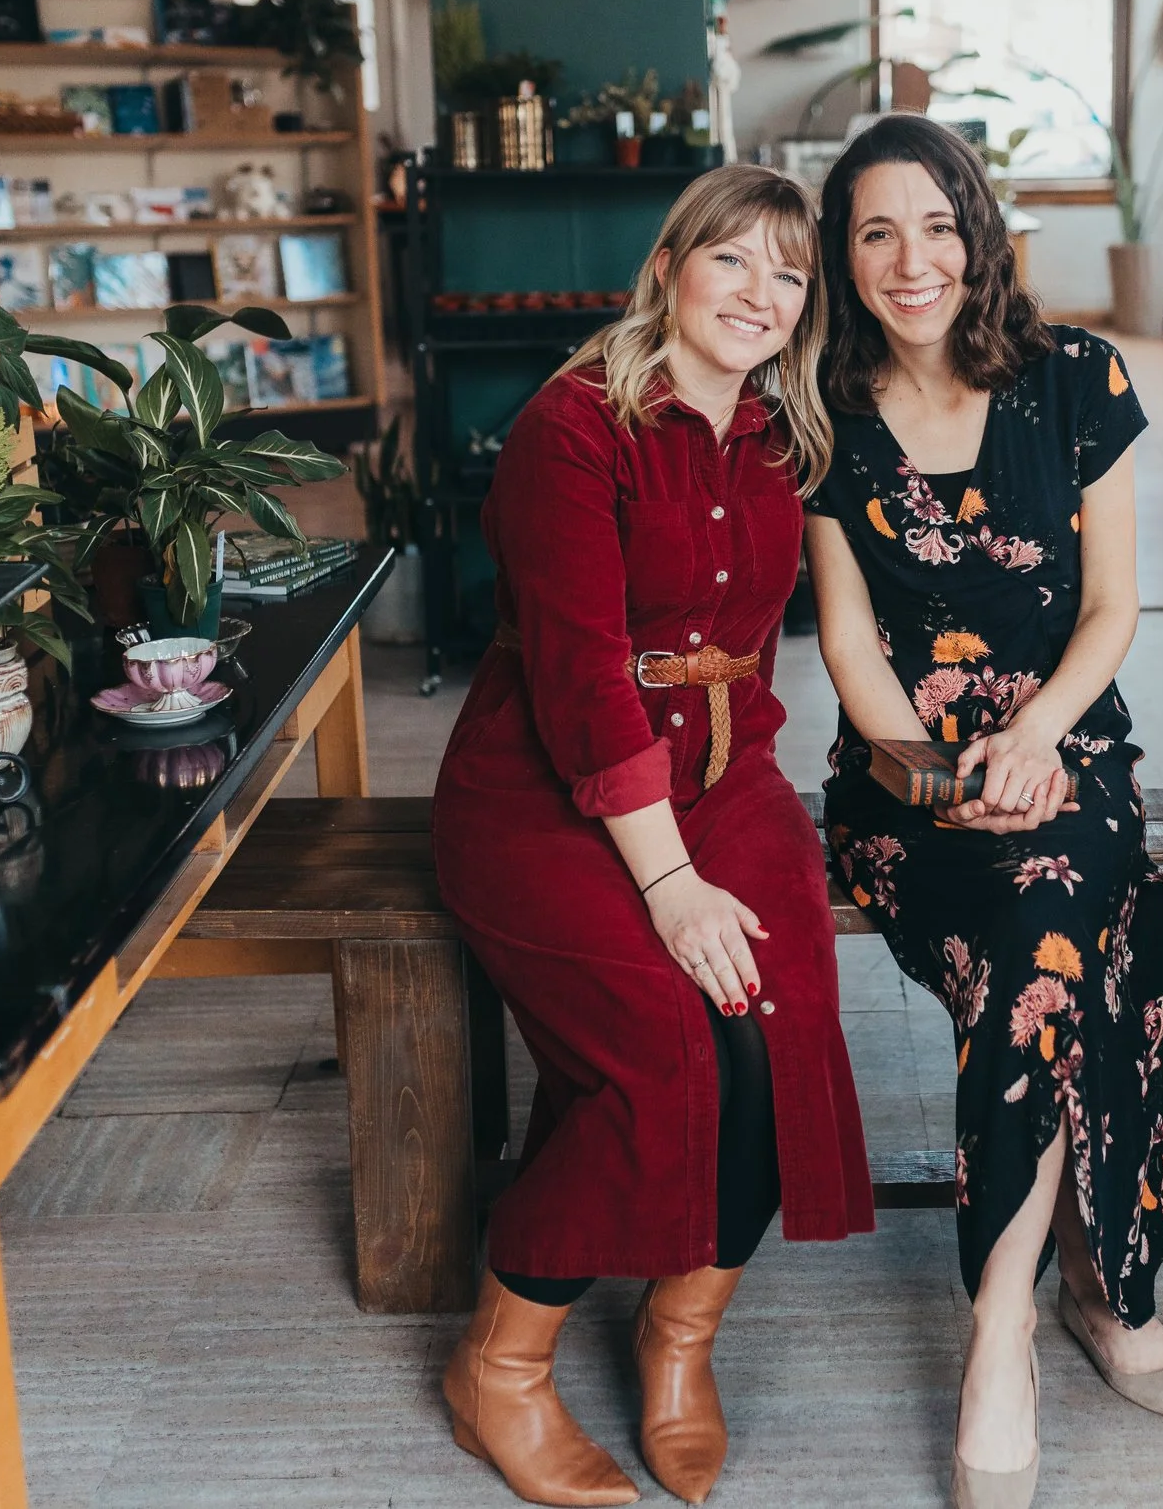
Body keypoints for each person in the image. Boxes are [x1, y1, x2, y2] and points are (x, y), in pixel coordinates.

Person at [433, 164, 874, 1508]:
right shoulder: (572, 427)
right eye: (732, 259)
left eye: (788, 273)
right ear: (671, 266)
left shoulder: (786, 437)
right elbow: (580, 681)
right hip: (543, 791)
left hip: (729, 778)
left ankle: (677, 1339)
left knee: (782, 1028)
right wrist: (671, 884)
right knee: (678, 1047)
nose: (759, 293)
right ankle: (500, 1368)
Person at [803, 115, 1163, 1509]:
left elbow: (1115, 606)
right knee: (1054, 938)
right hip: (903, 780)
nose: (911, 259)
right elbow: (850, 647)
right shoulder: (825, 413)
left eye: (937, 224)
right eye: (876, 231)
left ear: (977, 234)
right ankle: (1089, 1289)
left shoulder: (1077, 377)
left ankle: (1001, 1327)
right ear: (844, 258)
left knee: (1052, 924)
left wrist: (1032, 739)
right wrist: (939, 773)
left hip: (1071, 753)